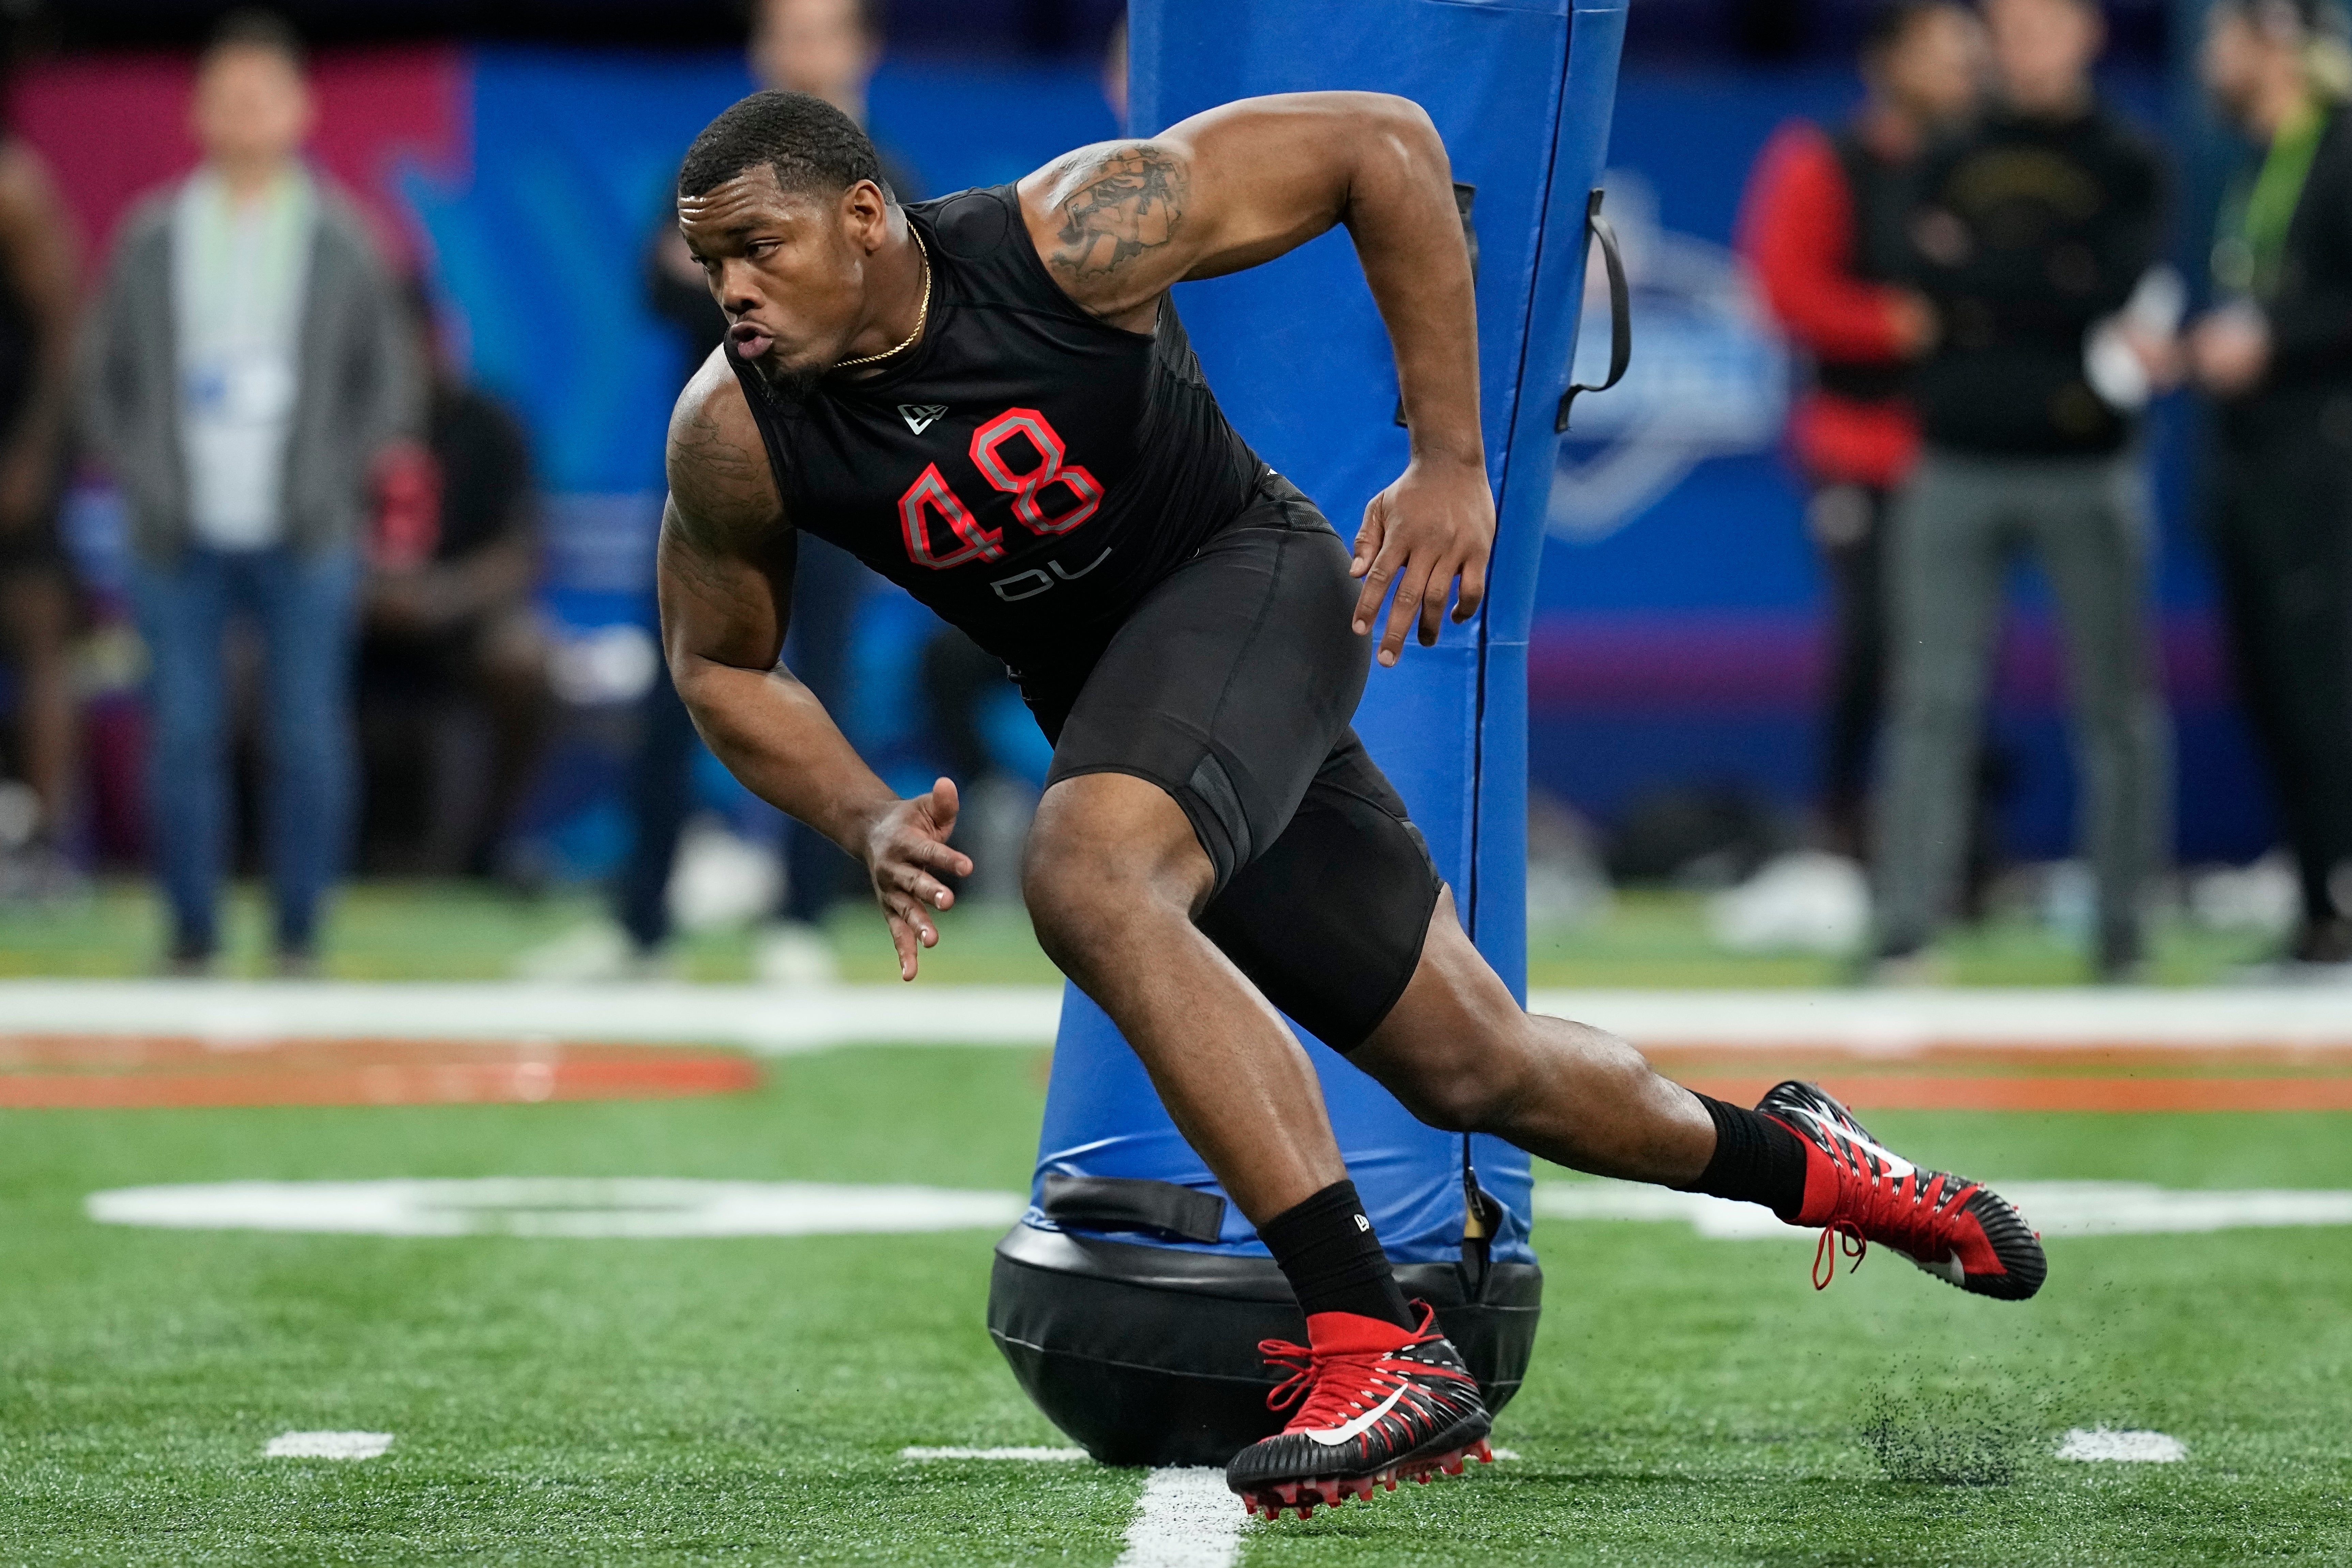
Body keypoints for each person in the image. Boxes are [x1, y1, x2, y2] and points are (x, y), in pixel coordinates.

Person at [656, 89, 2048, 1511]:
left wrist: (1450, 456)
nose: (735, 291)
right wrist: (860, 815)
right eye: (714, 267)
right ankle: (1818, 1167)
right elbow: (719, 661)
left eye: (759, 247)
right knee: (1476, 1066)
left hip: (1246, 591)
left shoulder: (1062, 237)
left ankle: (1373, 1339)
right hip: (1138, 713)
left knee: (1084, 871)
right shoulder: (734, 431)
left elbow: (1381, 144)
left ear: (866, 216)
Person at [567, 0, 917, 983]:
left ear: (860, 49)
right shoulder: (709, 167)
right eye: (786, 30)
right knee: (677, 683)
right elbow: (657, 283)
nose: (802, 50)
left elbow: (890, 311)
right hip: (714, 473)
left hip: (840, 474)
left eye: (822, 31)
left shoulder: (891, 179)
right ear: (762, 46)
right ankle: (642, 924)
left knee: (827, 693)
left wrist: (737, 273)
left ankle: (801, 919)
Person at [77, 11, 416, 973]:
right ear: (198, 111)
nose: (243, 116)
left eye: (261, 97)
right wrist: (144, 474)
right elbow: (106, 380)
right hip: (176, 522)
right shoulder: (153, 233)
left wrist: (335, 478)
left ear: (300, 109)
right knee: (182, 731)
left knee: (306, 732)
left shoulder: (341, 235)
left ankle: (300, 933)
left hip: (306, 525)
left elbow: (385, 384)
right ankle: (190, 931)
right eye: (225, 98)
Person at [1870, 0, 2172, 981]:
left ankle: (2121, 936)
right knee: (1930, 700)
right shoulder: (1946, 149)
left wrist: (1984, 279)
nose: (2023, 44)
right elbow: (1909, 263)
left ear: (2086, 32)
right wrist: (2052, 274)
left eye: (2042, 25)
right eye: (2007, 27)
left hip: (2086, 461)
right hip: (1955, 454)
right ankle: (1904, 930)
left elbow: (2112, 283)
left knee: (2115, 706)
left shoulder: (2128, 156)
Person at [1738, 1, 1982, 863]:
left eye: (1969, 56)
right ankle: (1843, 829)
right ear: (1888, 62)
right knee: (1872, 641)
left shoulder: (1983, 168)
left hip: (1964, 452)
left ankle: (1956, 844)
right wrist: (1891, 324)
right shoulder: (1822, 160)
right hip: (1858, 447)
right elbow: (1780, 287)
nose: (1963, 71)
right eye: (1943, 55)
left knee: (1954, 650)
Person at [2190, 0, 2352, 966]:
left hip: (2321, 454)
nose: (2211, 58)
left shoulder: (2338, 150)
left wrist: (2270, 340)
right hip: (2253, 455)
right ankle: (2314, 904)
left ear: (2276, 40)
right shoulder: (2259, 154)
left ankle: (2335, 889)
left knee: (2322, 680)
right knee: (2269, 683)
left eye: (2223, 36)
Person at [355, 288, 550, 877]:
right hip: (346, 622)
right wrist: (364, 590)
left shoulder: (489, 425)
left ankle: (484, 850)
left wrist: (441, 598)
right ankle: (281, 850)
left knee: (524, 663)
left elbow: (518, 551)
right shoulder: (340, 425)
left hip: (453, 625)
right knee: (253, 661)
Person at [0, 124, 80, 898]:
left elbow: (62, 334)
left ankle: (50, 847)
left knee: (37, 638)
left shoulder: (14, 188)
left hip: (14, 452)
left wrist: (33, 455)